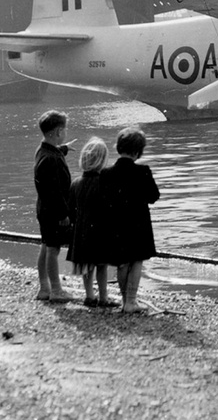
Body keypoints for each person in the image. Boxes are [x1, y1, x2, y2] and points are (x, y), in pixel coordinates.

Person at [102, 127, 160, 314]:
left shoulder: (106, 173)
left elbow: (103, 199)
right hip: (138, 223)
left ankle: (124, 299)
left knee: (122, 262)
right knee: (136, 260)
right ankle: (131, 301)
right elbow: (153, 196)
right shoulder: (143, 171)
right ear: (138, 151)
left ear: (119, 147)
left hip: (115, 223)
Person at [67, 137, 118, 309]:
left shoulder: (75, 183)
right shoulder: (106, 183)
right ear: (103, 160)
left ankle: (89, 296)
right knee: (101, 266)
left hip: (82, 231)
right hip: (101, 231)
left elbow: (71, 208)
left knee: (86, 266)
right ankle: (104, 297)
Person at [34, 109, 75, 303]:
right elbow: (55, 191)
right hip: (53, 211)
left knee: (45, 246)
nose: (65, 133)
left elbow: (53, 153)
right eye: (64, 130)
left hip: (43, 209)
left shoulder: (43, 151)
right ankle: (56, 290)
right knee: (53, 249)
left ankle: (44, 288)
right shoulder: (52, 160)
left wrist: (64, 149)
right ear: (58, 132)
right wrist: (63, 214)